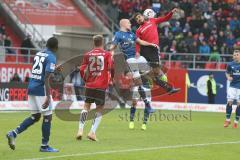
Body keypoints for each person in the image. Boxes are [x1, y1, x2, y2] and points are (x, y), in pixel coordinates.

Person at [6, 37, 59, 152]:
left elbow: (40, 71)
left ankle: (13, 133)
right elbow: (46, 77)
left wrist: (54, 70)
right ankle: (44, 146)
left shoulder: (39, 54)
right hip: (41, 89)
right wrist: (48, 96)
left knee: (35, 116)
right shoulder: (52, 57)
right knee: (48, 116)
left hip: (31, 86)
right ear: (56, 47)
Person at [110, 19, 159, 130]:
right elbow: (112, 47)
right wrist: (111, 54)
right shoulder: (118, 34)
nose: (131, 24)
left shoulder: (132, 34)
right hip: (129, 60)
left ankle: (145, 120)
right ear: (123, 24)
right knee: (135, 98)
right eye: (129, 23)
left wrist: (152, 44)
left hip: (137, 60)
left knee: (144, 66)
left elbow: (141, 42)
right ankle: (136, 116)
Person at [133, 9, 180, 95]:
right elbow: (137, 42)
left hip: (154, 50)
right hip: (145, 50)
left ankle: (167, 88)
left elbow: (165, 18)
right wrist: (137, 52)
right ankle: (168, 88)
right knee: (152, 73)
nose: (138, 19)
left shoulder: (152, 20)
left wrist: (171, 12)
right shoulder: (138, 30)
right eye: (137, 19)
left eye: (139, 17)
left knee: (156, 73)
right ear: (137, 22)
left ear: (143, 16)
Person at [76, 35, 113, 141]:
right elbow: (111, 67)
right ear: (102, 42)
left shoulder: (87, 55)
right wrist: (111, 78)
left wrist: (85, 80)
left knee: (86, 107)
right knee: (99, 109)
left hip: (89, 85)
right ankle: (92, 132)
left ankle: (80, 130)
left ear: (94, 43)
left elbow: (82, 69)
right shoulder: (107, 54)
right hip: (101, 86)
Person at [224, 42, 240, 129]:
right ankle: (227, 120)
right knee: (229, 102)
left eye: (237, 54)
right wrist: (228, 77)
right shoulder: (230, 64)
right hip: (232, 86)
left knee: (239, 104)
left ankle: (236, 122)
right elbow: (226, 73)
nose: (236, 56)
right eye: (234, 55)